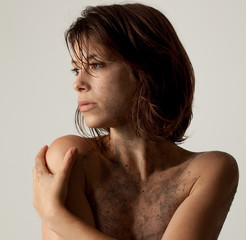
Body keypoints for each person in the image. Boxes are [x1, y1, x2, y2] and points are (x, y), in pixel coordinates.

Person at [32, 3, 239, 240]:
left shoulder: (208, 171)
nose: (77, 83)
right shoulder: (70, 157)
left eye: (95, 65)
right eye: (76, 69)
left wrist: (58, 217)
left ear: (146, 70)